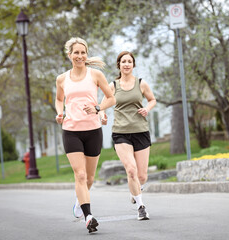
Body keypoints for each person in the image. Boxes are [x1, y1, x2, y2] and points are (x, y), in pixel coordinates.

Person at [55, 37, 115, 233]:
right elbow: (59, 100)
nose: (80, 56)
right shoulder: (62, 79)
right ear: (69, 55)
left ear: (86, 54)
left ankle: (79, 200)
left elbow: (111, 97)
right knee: (79, 174)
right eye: (76, 52)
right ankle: (88, 216)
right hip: (71, 131)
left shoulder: (95, 75)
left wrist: (98, 108)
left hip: (93, 130)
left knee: (89, 178)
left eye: (83, 52)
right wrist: (59, 112)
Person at [100, 51, 156, 220]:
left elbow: (152, 100)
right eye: (123, 61)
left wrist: (147, 108)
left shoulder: (141, 83)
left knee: (142, 176)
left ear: (133, 65)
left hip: (141, 132)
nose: (126, 64)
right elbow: (102, 105)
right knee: (131, 170)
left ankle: (135, 190)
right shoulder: (113, 86)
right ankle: (141, 207)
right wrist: (102, 115)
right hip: (121, 133)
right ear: (119, 65)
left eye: (129, 61)